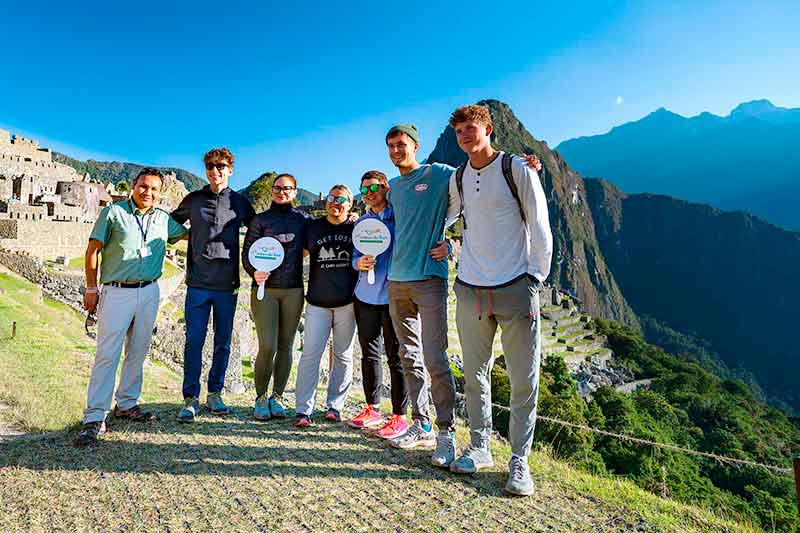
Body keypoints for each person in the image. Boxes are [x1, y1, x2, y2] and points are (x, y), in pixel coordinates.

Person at [384, 123, 542, 468]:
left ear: (415, 144)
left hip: (431, 278)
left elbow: (476, 186)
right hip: (397, 280)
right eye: (391, 146)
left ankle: (447, 433)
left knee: (435, 358)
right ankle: (422, 423)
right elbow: (385, 224)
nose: (396, 150)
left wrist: (527, 165)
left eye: (402, 144)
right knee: (408, 356)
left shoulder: (442, 173)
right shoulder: (393, 187)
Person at [445, 105, 552, 497]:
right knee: (474, 374)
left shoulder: (517, 169)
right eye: (459, 132)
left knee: (524, 379)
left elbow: (540, 225)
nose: (465, 137)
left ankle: (519, 460)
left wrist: (535, 279)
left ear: (488, 130)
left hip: (514, 285)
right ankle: (479, 445)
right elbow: (448, 215)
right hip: (471, 286)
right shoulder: (458, 177)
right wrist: (443, 242)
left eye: (471, 129)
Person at [73, 168, 188, 447]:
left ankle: (126, 404)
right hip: (117, 292)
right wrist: (91, 288)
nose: (148, 192)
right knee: (107, 354)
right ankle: (94, 417)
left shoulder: (163, 220)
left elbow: (191, 237)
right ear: (133, 187)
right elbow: (92, 251)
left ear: (160, 193)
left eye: (154, 189)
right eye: (143, 186)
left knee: (138, 351)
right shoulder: (113, 213)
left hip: (149, 291)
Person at [171, 147, 255, 423]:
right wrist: (190, 238)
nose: (215, 171)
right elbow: (170, 224)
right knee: (193, 341)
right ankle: (190, 397)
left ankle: (215, 393)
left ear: (230, 169)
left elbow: (261, 232)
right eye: (210, 167)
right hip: (197, 283)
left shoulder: (241, 203)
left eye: (220, 166)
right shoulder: (194, 199)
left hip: (227, 285)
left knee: (223, 342)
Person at [242, 173, 310, 420]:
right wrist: (254, 272)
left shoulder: (303, 219)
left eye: (287, 188)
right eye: (278, 188)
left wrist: (352, 220)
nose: (282, 192)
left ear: (295, 192)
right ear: (272, 191)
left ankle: (278, 396)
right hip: (265, 290)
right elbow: (247, 253)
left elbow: (324, 231)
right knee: (267, 345)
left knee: (286, 345)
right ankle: (261, 397)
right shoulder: (260, 220)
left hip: (293, 289)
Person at [347, 170, 409, 440]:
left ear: (385, 188)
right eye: (364, 190)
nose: (369, 195)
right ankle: (372, 408)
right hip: (365, 295)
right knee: (369, 353)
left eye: (373, 188)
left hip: (393, 295)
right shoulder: (362, 222)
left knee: (396, 356)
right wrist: (357, 263)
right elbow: (354, 255)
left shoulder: (400, 219)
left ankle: (399, 416)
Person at [293, 185, 358, 427]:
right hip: (317, 303)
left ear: (350, 204)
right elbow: (297, 255)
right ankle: (303, 410)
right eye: (331, 197)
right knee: (310, 355)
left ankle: (335, 406)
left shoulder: (356, 227)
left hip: (348, 303)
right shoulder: (313, 227)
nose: (335, 202)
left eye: (341, 199)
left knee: (343, 356)